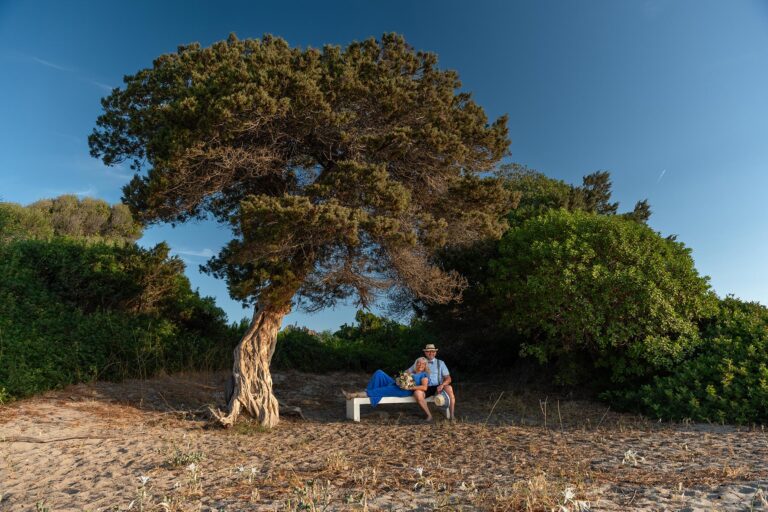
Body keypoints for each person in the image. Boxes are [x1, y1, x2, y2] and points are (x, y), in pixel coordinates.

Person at [343, 358, 433, 421]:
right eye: (418, 363)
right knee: (379, 373)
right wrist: (399, 380)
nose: (420, 365)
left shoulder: (423, 375)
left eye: (423, 364)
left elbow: (424, 387)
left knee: (380, 391)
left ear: (425, 366)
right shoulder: (410, 372)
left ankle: (353, 394)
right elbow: (400, 378)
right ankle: (369, 392)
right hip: (396, 384)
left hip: (404, 391)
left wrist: (409, 387)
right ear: (416, 364)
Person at [408, 343, 455, 420]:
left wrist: (442, 385)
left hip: (438, 386)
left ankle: (452, 415)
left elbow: (448, 378)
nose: (431, 353)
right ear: (425, 353)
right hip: (425, 387)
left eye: (433, 351)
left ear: (435, 352)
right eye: (428, 351)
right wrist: (407, 379)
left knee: (449, 388)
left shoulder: (440, 363)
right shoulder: (420, 362)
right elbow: (407, 372)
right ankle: (429, 415)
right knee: (417, 393)